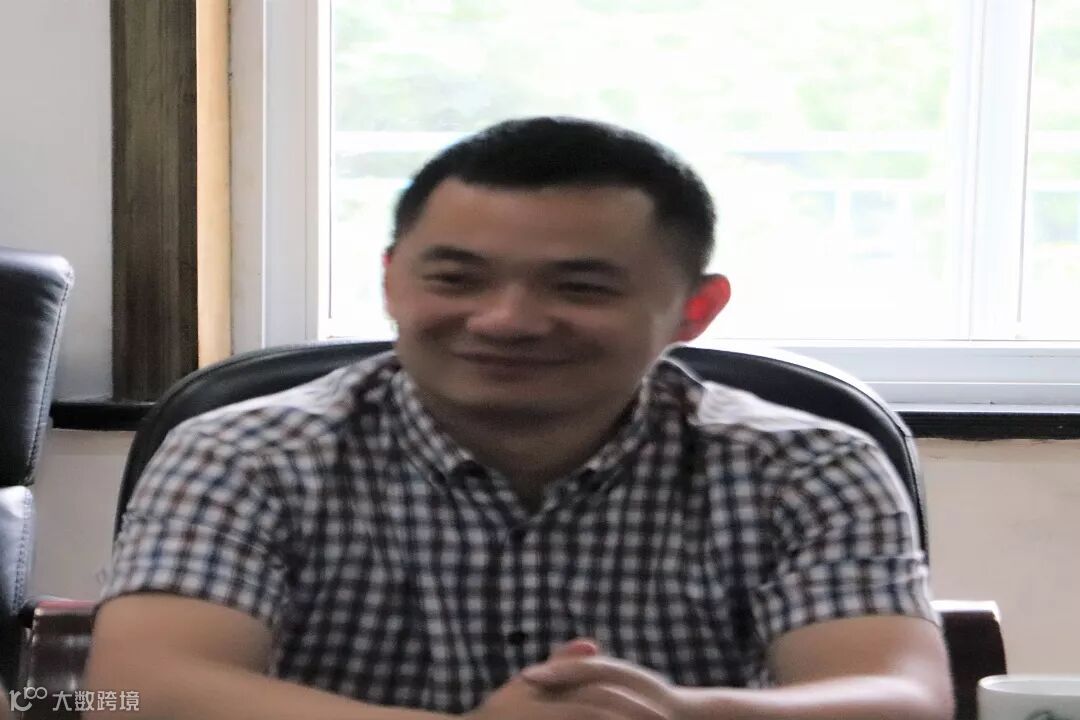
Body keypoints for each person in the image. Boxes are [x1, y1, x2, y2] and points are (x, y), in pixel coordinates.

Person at [85, 116, 953, 720]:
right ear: (391, 280)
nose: (506, 320)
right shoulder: (244, 452)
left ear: (696, 310)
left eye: (580, 287)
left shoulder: (807, 464)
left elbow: (900, 697)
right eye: (456, 279)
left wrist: (673, 713)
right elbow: (140, 691)